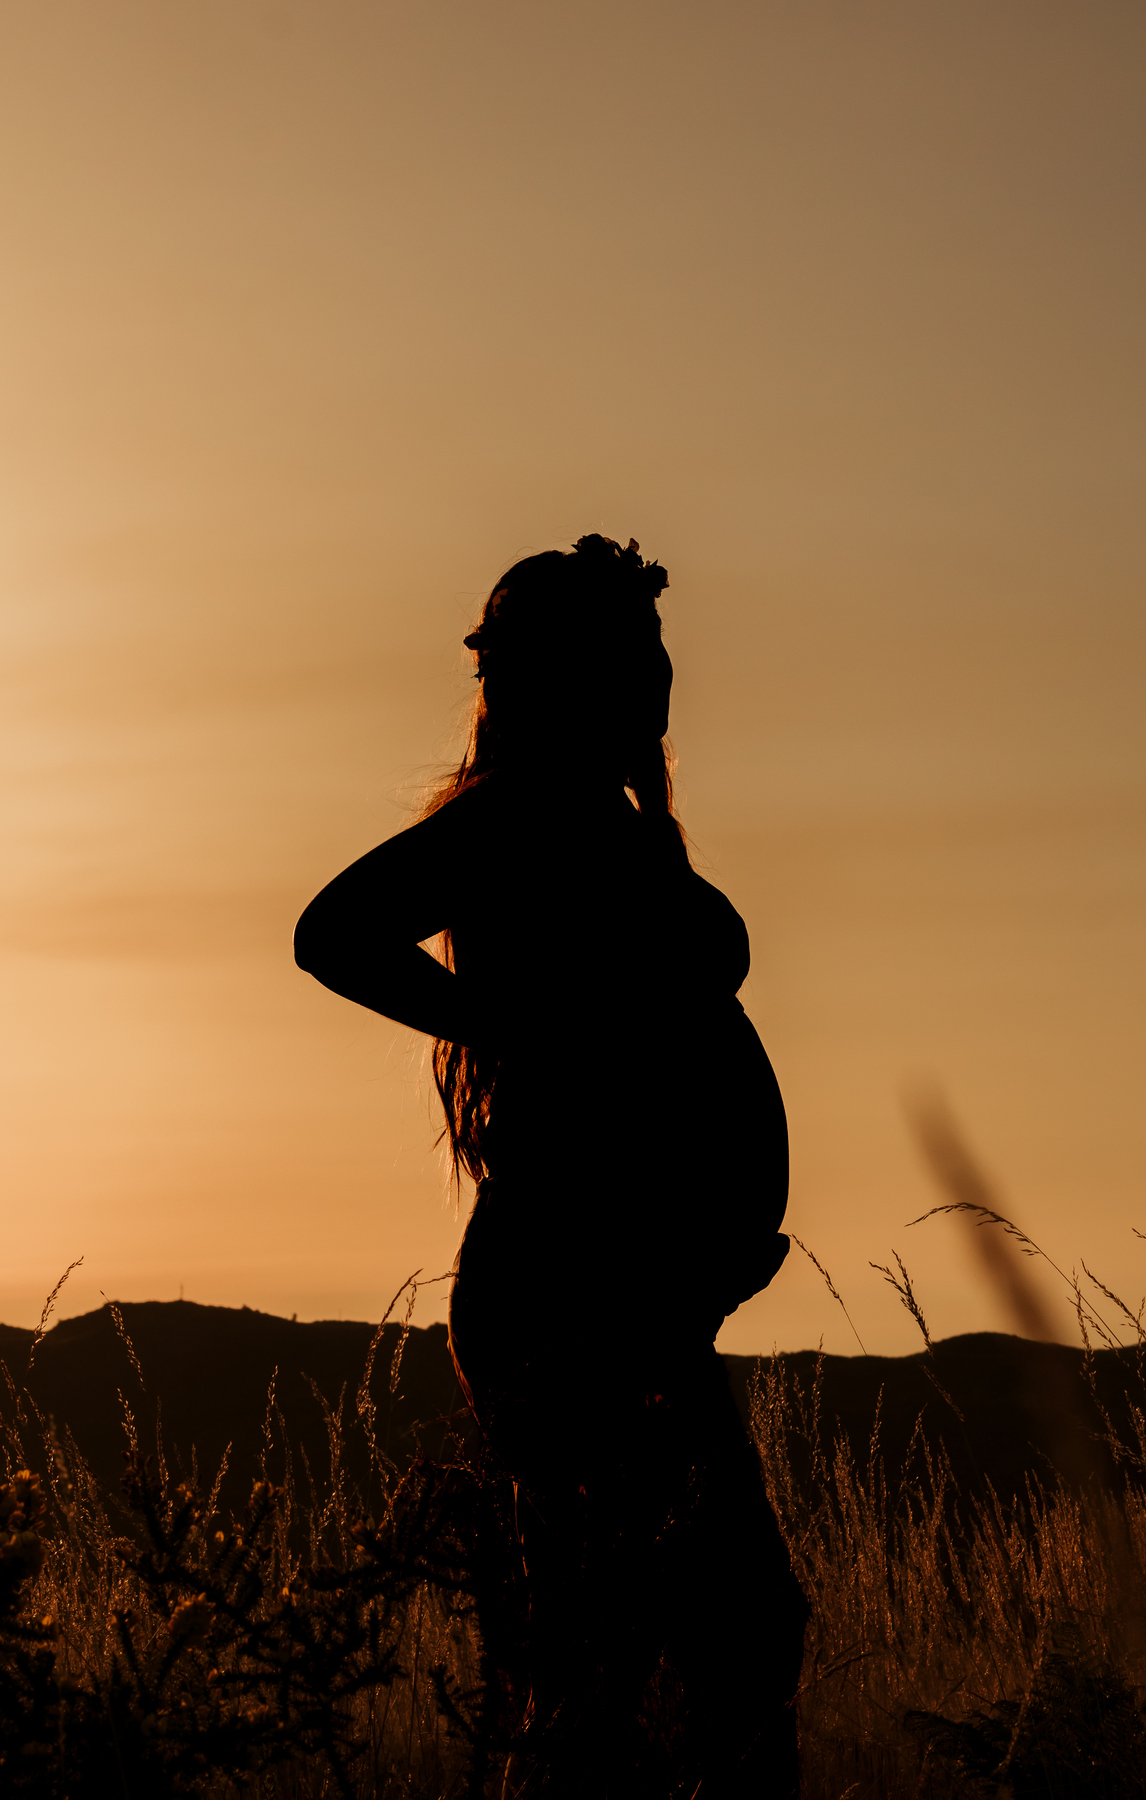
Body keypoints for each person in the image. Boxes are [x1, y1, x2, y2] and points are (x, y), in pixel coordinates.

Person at [294, 534, 808, 1796]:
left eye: (656, 655)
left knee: (668, 1645)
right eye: (628, 658)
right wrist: (519, 1034)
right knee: (654, 1645)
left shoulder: (609, 826)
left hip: (631, 1300)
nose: (656, 683)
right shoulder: (516, 818)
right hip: (569, 1295)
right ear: (557, 679)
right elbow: (332, 933)